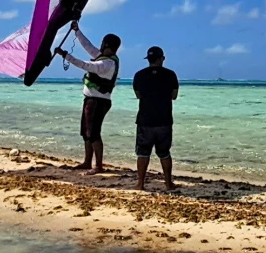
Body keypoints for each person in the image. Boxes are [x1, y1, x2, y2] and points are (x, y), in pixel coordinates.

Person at [54, 21, 121, 174]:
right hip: (91, 100)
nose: (102, 47)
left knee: (94, 133)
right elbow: (88, 46)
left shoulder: (107, 63)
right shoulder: (102, 56)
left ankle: (98, 166)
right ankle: (86, 162)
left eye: (104, 45)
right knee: (86, 132)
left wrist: (65, 55)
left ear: (108, 46)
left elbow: (85, 65)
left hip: (98, 102)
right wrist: (77, 31)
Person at [132, 45, 179, 192]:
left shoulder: (139, 75)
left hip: (145, 119)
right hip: (164, 120)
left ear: (148, 60)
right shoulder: (171, 75)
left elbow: (138, 95)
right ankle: (168, 183)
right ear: (162, 59)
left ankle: (140, 184)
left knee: (143, 153)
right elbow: (174, 96)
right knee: (164, 154)